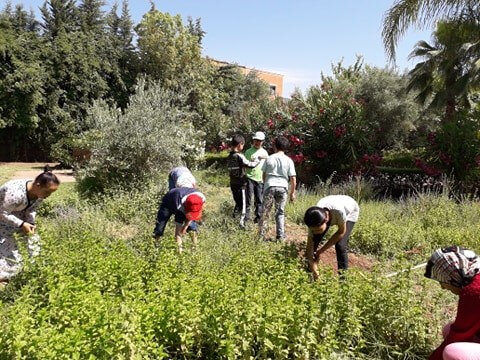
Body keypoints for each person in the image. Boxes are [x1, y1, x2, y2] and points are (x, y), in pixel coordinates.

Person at [0, 166, 60, 285]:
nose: (49, 195)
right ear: (38, 185)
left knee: (33, 244)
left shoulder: (39, 194)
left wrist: (30, 223)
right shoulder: (15, 193)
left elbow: (31, 209)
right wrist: (22, 224)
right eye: (47, 192)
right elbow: (2, 213)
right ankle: (3, 278)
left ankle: (23, 273)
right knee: (7, 250)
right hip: (3, 219)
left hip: (16, 218)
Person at [424, 246, 480, 360]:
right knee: (448, 329)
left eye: (442, 280)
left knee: (452, 352)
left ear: (453, 275)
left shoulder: (474, 291)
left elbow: (458, 335)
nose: (442, 287)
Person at [304, 195, 359, 279]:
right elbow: (309, 247)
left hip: (351, 209)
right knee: (315, 240)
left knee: (340, 245)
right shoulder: (314, 218)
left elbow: (341, 232)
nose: (315, 232)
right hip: (331, 204)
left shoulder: (339, 212)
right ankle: (310, 273)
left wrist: (321, 251)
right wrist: (315, 270)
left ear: (326, 220)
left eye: (318, 230)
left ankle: (343, 280)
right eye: (313, 230)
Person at [258, 136, 296, 241]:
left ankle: (261, 235)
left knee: (265, 211)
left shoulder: (269, 158)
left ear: (275, 146)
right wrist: (292, 193)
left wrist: (265, 185)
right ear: (286, 147)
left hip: (270, 186)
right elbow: (293, 178)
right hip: (283, 187)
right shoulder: (289, 161)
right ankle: (280, 236)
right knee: (280, 212)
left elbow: (263, 175)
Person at [226, 134, 264, 228]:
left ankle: (234, 219)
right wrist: (258, 159)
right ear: (240, 144)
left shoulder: (229, 156)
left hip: (233, 183)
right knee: (244, 204)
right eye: (242, 145)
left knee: (238, 203)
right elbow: (250, 165)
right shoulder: (239, 156)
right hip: (241, 184)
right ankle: (243, 225)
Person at [153, 187, 205, 253]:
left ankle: (195, 250)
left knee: (192, 227)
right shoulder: (179, 207)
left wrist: (185, 226)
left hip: (183, 199)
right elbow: (178, 234)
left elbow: (191, 215)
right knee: (160, 227)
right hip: (169, 201)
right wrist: (180, 254)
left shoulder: (201, 198)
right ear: (186, 208)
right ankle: (155, 248)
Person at [245, 131, 269, 224]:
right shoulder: (248, 151)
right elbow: (245, 165)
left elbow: (268, 166)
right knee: (248, 199)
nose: (257, 142)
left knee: (259, 199)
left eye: (259, 141)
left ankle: (258, 218)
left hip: (260, 179)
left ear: (262, 141)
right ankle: (246, 218)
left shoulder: (265, 153)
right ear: (253, 140)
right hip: (249, 178)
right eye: (256, 140)